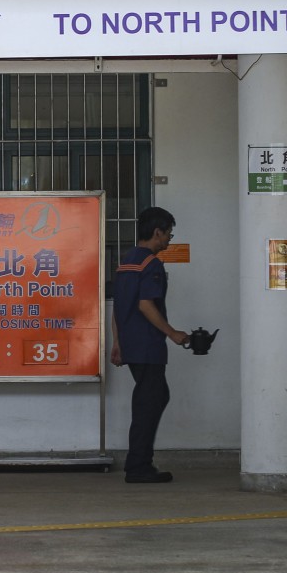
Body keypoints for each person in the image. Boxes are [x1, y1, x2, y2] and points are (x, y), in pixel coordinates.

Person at [110, 207, 190, 484]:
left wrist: (118, 343)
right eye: (168, 233)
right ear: (158, 232)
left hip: (132, 345)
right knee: (149, 403)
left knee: (154, 397)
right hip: (147, 345)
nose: (169, 239)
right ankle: (138, 466)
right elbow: (145, 305)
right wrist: (173, 333)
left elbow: (119, 308)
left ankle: (139, 462)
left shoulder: (126, 261)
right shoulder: (151, 264)